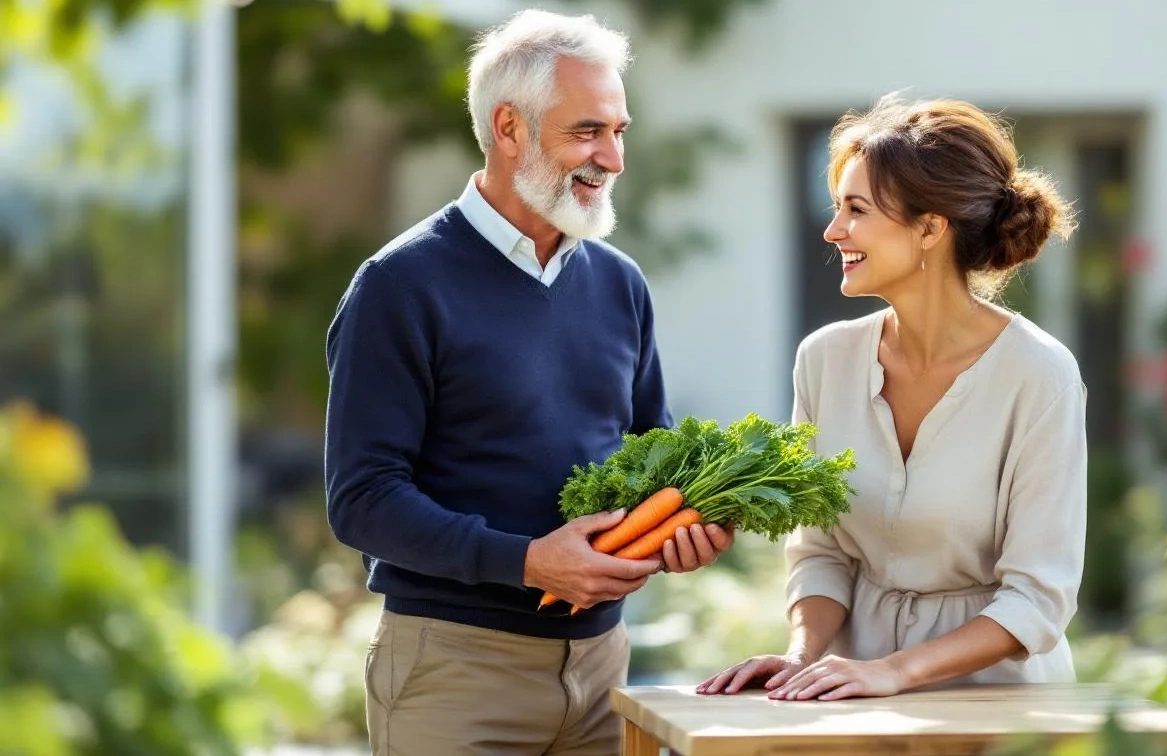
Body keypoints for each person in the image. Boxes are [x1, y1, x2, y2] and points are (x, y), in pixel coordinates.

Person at [323, 10, 733, 754]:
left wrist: (691, 526)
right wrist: (526, 562)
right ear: (508, 127)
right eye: (587, 132)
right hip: (456, 671)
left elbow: (655, 451)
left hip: (605, 665)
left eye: (619, 131)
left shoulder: (620, 284)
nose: (611, 158)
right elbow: (361, 501)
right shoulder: (399, 286)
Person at [698, 95, 1086, 702]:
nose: (834, 231)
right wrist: (800, 656)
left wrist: (897, 670)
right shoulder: (824, 360)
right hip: (856, 700)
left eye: (857, 210)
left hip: (1000, 704)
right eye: (837, 208)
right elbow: (822, 550)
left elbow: (1038, 598)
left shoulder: (1041, 375)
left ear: (930, 228)